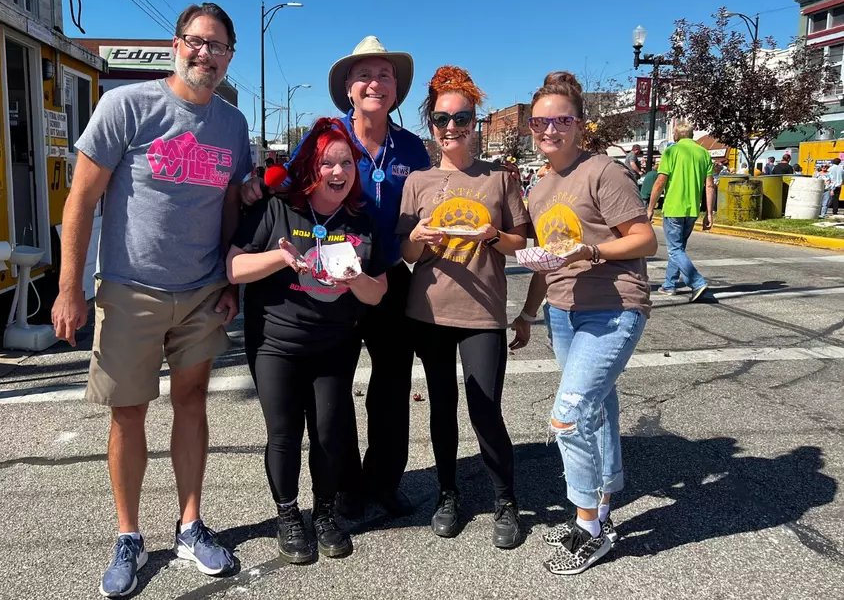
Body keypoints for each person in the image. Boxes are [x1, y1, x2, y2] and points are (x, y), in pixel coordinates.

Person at [52, 3, 247, 597]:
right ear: (176, 44)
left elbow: (233, 206)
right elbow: (80, 200)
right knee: (128, 411)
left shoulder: (233, 125)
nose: (204, 55)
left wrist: (231, 281)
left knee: (192, 403)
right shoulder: (126, 107)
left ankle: (190, 524)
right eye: (196, 42)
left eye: (217, 47)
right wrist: (70, 289)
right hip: (130, 289)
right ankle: (129, 536)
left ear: (229, 57)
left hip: (200, 292)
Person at [241, 36, 431, 518]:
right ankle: (343, 487)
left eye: (385, 75)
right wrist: (252, 187)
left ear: (396, 89)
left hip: (385, 275)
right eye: (364, 75)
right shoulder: (327, 138)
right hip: (330, 283)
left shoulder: (412, 148)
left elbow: (433, 203)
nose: (375, 83)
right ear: (348, 87)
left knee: (391, 388)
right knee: (336, 395)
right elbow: (287, 186)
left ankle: (384, 481)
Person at [511, 71, 657, 575]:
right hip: (563, 313)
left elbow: (643, 239)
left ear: (579, 125)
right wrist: (530, 313)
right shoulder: (540, 186)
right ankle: (606, 502)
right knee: (595, 410)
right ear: (530, 127)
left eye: (560, 120)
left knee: (568, 415)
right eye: (540, 121)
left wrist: (591, 250)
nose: (549, 129)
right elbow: (548, 260)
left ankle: (588, 527)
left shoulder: (603, 172)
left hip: (614, 308)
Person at [226, 118, 388, 565]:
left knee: (330, 434)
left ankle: (325, 512)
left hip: (334, 343)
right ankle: (287, 514)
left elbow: (379, 291)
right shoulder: (278, 208)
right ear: (311, 168)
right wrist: (280, 258)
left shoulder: (361, 219)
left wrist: (355, 280)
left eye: (346, 163)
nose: (338, 172)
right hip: (276, 341)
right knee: (283, 433)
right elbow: (234, 269)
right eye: (327, 163)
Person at [398, 66, 530, 548]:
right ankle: (448, 494)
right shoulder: (417, 181)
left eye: (462, 118)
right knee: (441, 406)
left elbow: (522, 243)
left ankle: (506, 500)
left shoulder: (500, 179)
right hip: (428, 310)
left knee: (485, 408)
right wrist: (416, 238)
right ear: (429, 124)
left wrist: (493, 235)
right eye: (441, 118)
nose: (451, 127)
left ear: (476, 122)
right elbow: (407, 255)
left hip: (483, 312)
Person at [646, 121, 715, 302]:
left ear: (677, 134)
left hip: (674, 207)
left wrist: (650, 207)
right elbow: (709, 185)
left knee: (675, 249)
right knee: (678, 249)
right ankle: (669, 285)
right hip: (692, 208)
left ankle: (697, 281)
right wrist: (709, 212)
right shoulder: (704, 153)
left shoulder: (671, 151)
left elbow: (660, 181)